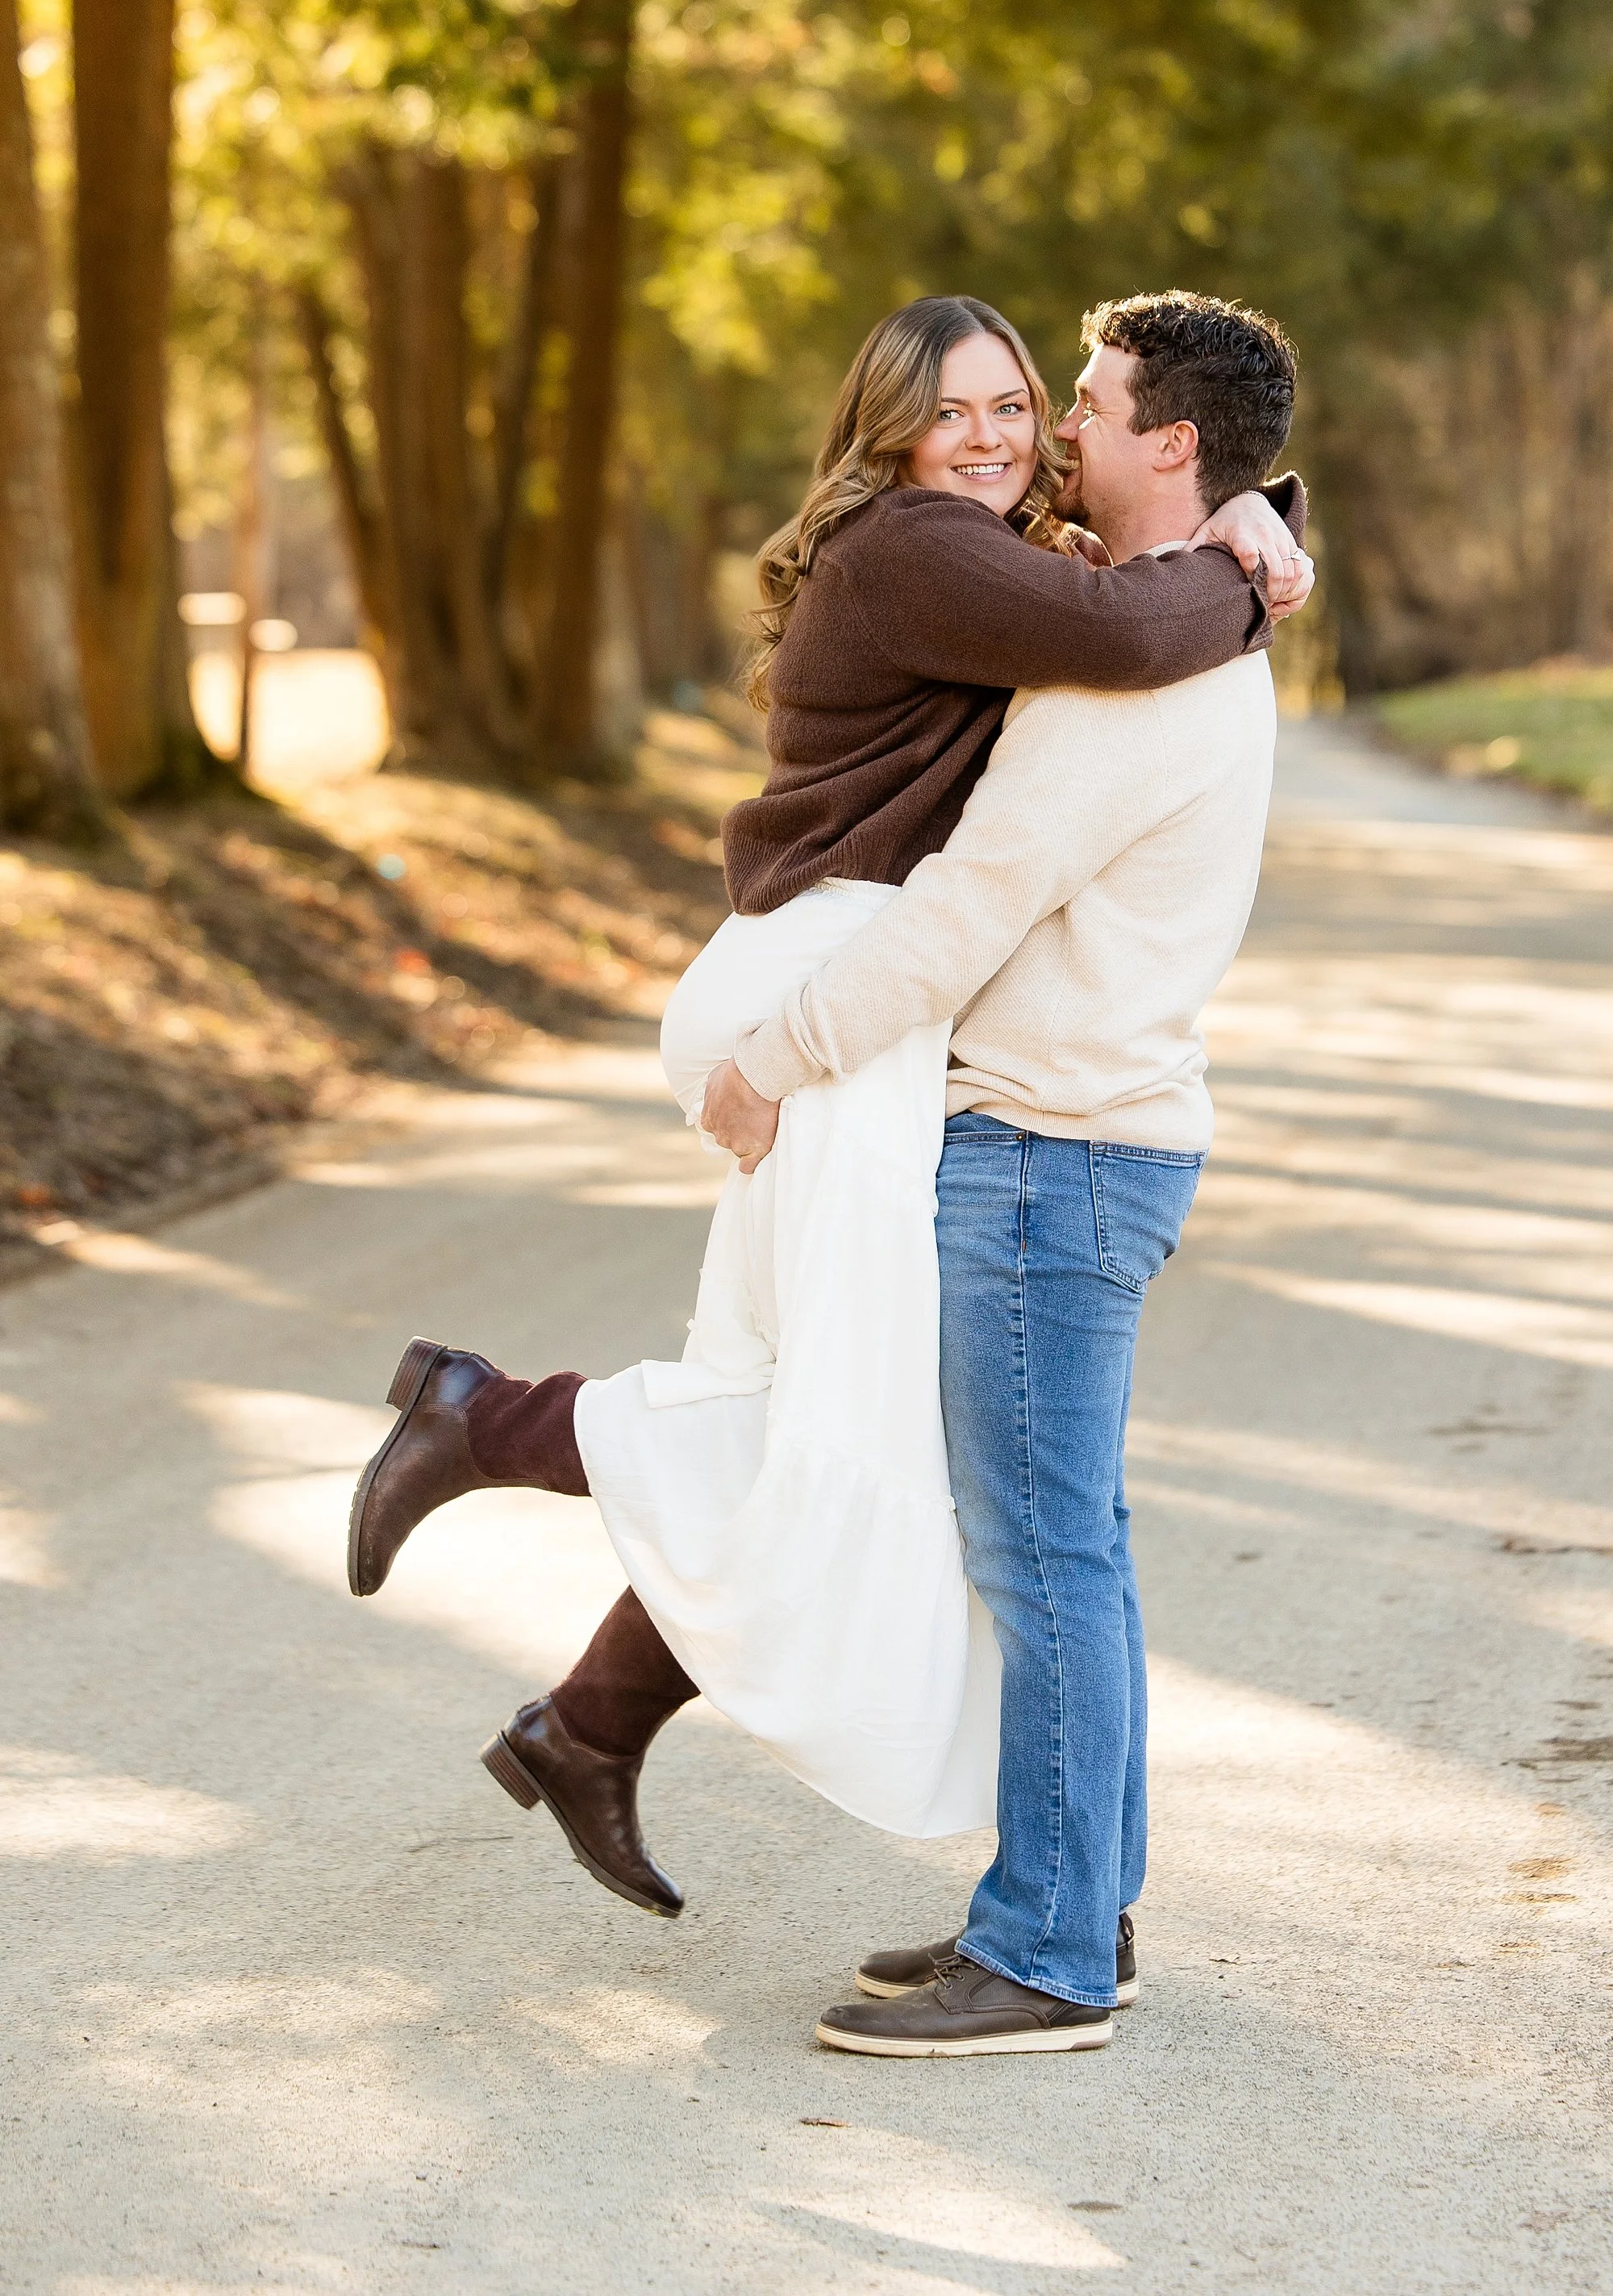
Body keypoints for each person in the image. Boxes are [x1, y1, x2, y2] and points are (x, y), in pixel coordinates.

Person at [344, 294, 1308, 1914]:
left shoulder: (1009, 545)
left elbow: (1142, 580)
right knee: (827, 1422)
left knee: (823, 1411)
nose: (1020, 432)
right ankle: (480, 1423)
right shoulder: (923, 548)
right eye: (971, 410)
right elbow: (1135, 634)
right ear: (893, 431)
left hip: (837, 991)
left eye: (1038, 400)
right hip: (816, 989)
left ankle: (585, 1708)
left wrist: (1255, 520)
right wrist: (1253, 547)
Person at [698, 288, 1302, 2058]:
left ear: (1169, 446)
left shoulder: (1130, 683)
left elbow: (958, 919)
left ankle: (1041, 1953)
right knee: (1070, 1551)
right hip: (1097, 1143)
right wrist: (1271, 531)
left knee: (1040, 1560)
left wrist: (771, 1063)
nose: (1056, 435)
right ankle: (1070, 1914)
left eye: (1087, 405)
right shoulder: (1196, 634)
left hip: (1045, 1152)